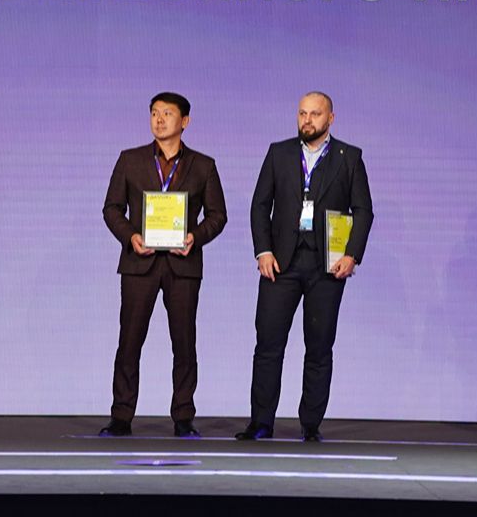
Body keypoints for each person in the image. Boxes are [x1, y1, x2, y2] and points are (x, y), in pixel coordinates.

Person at [235, 92, 373, 442]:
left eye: (315, 114)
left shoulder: (349, 157)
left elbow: (363, 211)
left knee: (319, 346)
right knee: (268, 344)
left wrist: (351, 255)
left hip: (327, 265)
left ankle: (310, 424)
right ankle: (261, 422)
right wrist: (263, 251)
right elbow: (259, 205)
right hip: (280, 263)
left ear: (330, 118)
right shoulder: (279, 153)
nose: (307, 120)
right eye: (302, 113)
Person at [100, 92, 227, 438]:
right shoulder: (130, 159)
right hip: (138, 262)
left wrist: (194, 237)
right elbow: (112, 209)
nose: (159, 120)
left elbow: (218, 215)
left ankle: (184, 416)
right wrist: (130, 236)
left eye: (167, 114)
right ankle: (121, 416)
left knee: (184, 342)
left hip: (182, 265)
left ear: (184, 121)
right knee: (129, 341)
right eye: (154, 113)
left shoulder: (204, 165)